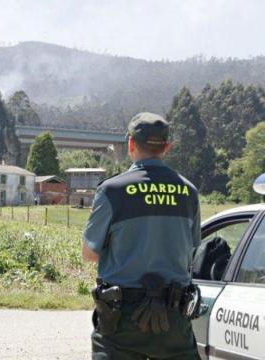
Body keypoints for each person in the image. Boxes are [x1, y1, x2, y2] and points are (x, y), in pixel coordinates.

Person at [83, 112, 201, 359]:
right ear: (166, 147)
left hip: (121, 316)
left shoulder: (112, 190)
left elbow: (89, 254)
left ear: (130, 144)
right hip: (174, 316)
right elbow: (191, 248)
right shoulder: (188, 191)